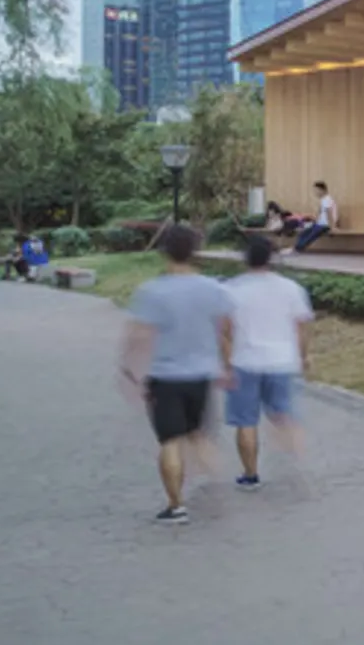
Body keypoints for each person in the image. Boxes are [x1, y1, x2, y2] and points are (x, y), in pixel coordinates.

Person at [120, 224, 234, 524]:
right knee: (197, 433)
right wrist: (226, 365)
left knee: (170, 440)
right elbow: (225, 330)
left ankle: (176, 505)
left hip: (166, 376)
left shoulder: (151, 291)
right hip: (201, 376)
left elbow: (138, 336)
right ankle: (220, 481)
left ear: (164, 252)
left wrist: (130, 371)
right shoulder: (214, 289)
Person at [224, 235, 314, 491]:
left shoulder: (232, 289)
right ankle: (298, 457)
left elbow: (225, 330)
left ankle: (250, 474)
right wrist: (304, 356)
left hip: (245, 360)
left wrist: (225, 362)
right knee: (283, 412)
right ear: (272, 259)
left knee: (246, 421)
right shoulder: (291, 288)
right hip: (281, 360)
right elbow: (301, 327)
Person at [291, 182, 337, 253]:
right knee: (304, 233)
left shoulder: (327, 200)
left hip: (325, 225)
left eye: (316, 190)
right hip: (320, 223)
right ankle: (296, 247)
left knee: (311, 235)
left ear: (322, 190)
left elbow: (329, 214)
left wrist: (332, 228)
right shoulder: (323, 200)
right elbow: (320, 214)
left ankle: (298, 249)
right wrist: (314, 221)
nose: (315, 193)